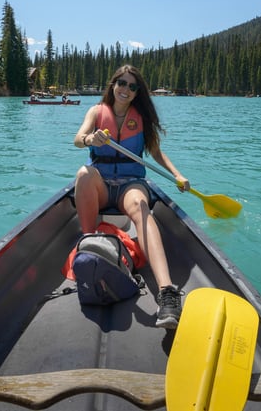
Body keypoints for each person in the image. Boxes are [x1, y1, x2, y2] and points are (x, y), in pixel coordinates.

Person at [73, 65, 189, 328]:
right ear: (113, 85)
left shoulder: (142, 119)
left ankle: (167, 292)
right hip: (101, 183)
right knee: (82, 175)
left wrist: (177, 174)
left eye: (132, 86)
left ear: (137, 93)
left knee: (140, 205)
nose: (126, 89)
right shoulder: (96, 111)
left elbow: (157, 154)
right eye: (122, 83)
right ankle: (89, 248)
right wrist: (91, 139)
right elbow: (77, 139)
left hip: (130, 183)